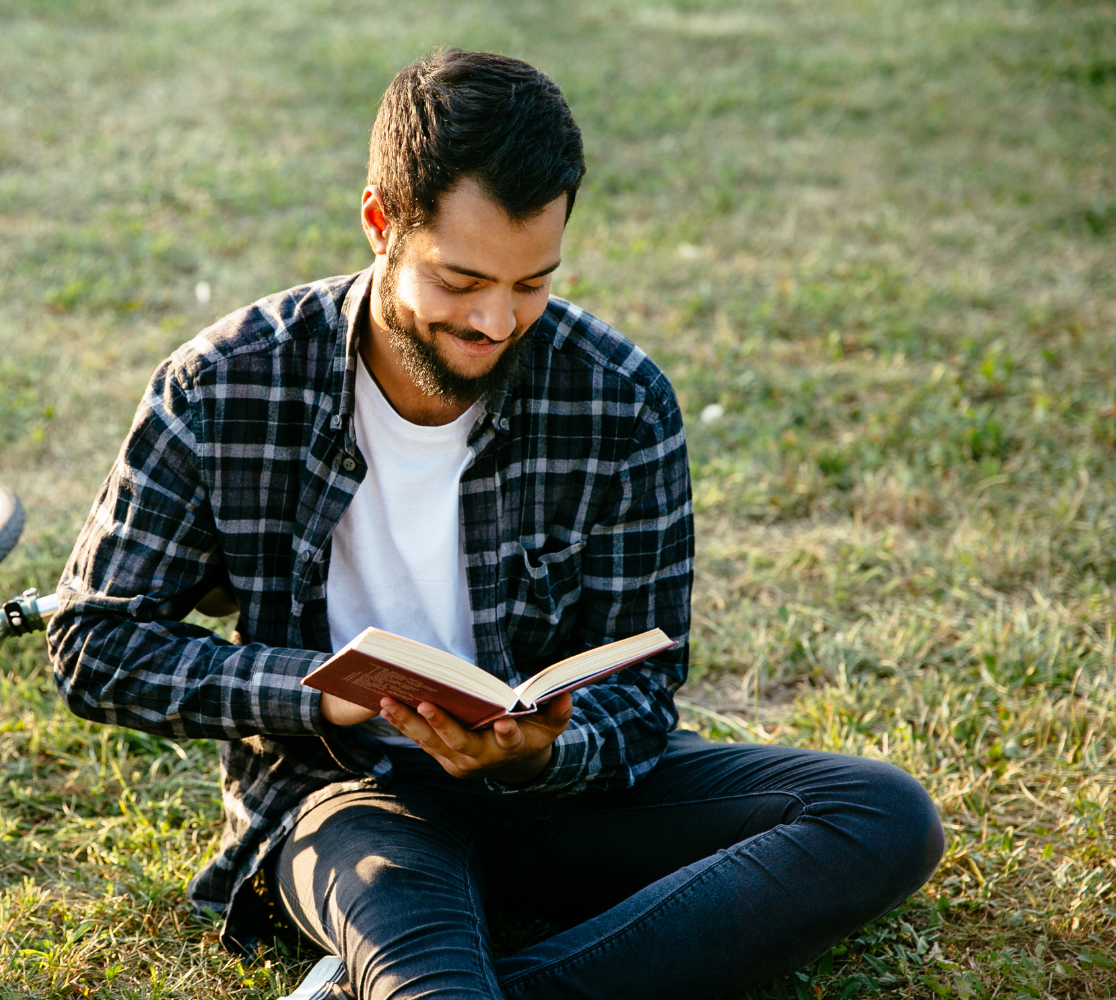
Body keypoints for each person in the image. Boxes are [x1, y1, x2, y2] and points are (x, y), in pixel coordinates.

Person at [48, 49, 943, 1000]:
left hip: (558, 797)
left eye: (532, 284)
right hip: (351, 796)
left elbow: (643, 691)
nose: (495, 320)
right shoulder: (228, 382)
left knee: (878, 815)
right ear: (379, 224)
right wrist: (326, 693)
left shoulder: (620, 398)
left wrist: (539, 752)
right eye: (461, 279)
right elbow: (93, 645)